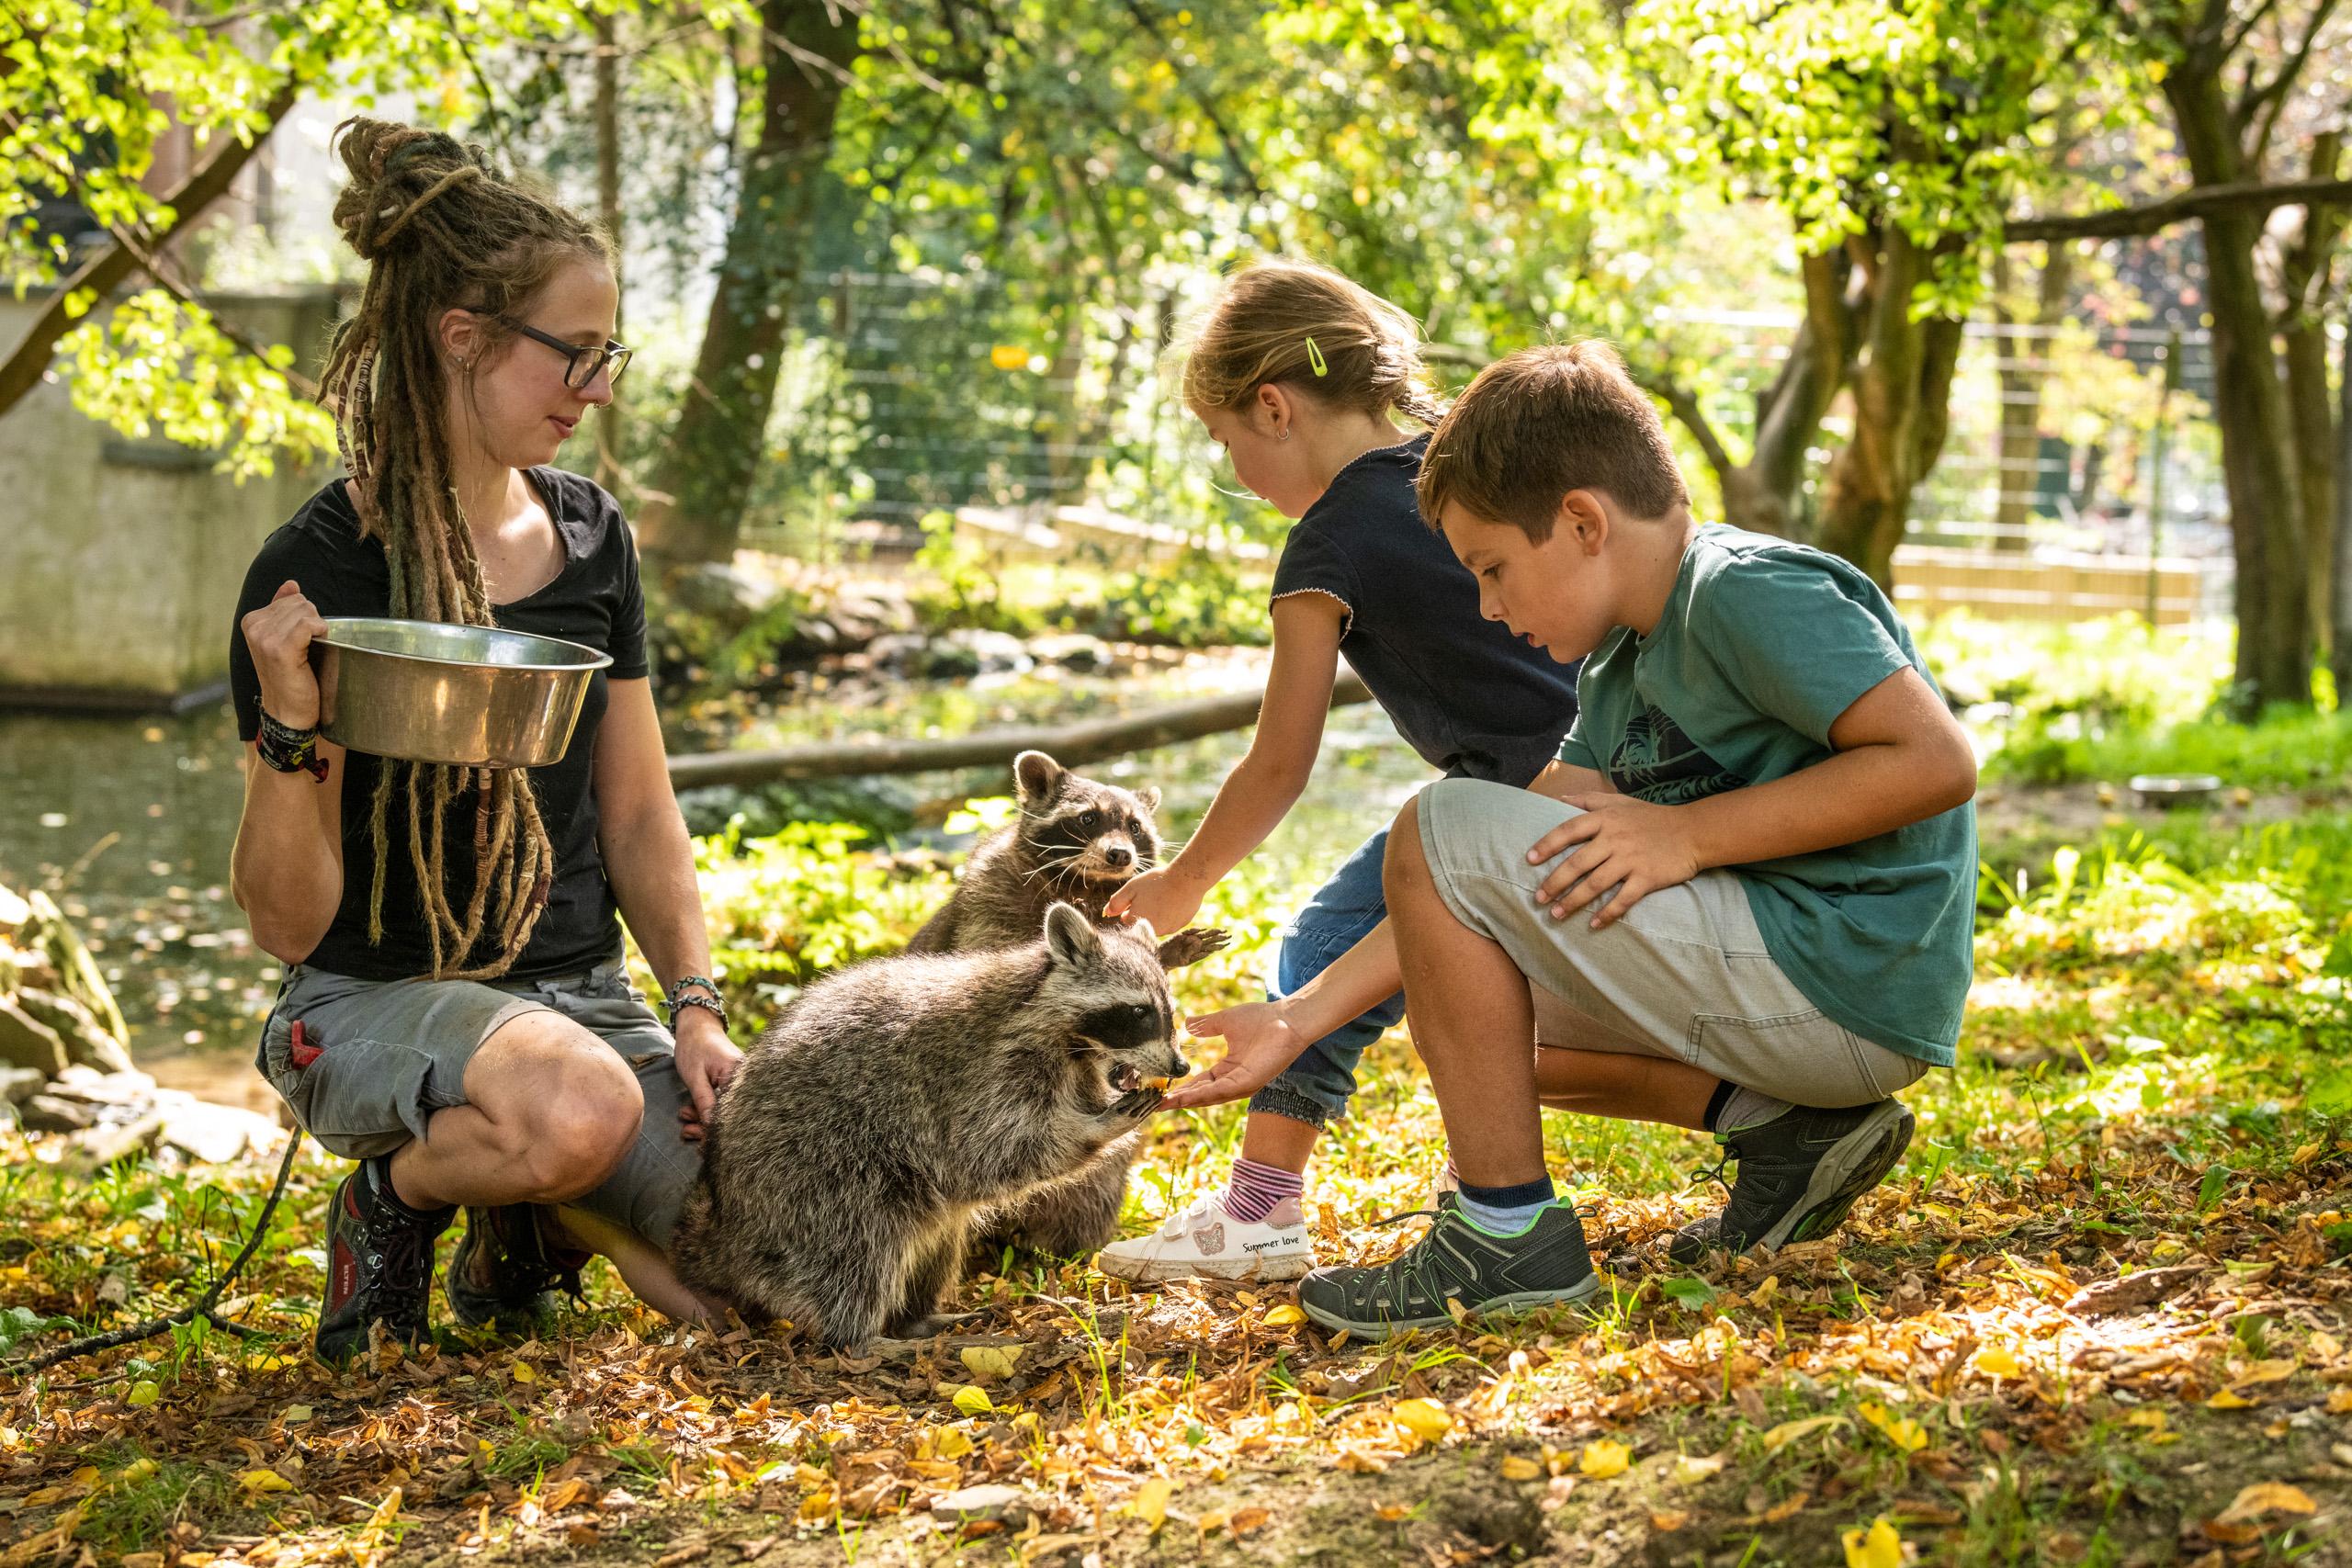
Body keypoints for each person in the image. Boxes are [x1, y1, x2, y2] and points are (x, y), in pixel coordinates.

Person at [1171, 342, 1979, 1339]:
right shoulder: (1616, 672)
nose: (1487, 606)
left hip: (1845, 978)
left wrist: (1687, 835)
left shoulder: (1744, 589)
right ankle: (1790, 1133)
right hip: (1797, 1001)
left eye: (1494, 568)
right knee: (1479, 1020)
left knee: (1437, 816)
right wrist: (1297, 1020)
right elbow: (1492, 886)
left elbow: (1934, 761)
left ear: (1583, 522)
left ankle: (1503, 1233)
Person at [228, 119, 735, 1363]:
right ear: (463, 338)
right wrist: (294, 724)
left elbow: (636, 813)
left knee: (764, 1273)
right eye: (574, 353)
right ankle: (397, 1200)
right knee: (578, 1103)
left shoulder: (592, 537)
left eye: (606, 351)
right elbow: (289, 926)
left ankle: (526, 1217)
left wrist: (699, 1005)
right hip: (373, 1001)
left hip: (583, 1000)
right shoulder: (324, 564)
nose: (599, 386)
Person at [1094, 261, 1580, 1284]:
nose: (1235, 469)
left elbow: (1280, 761)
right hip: (1603, 772)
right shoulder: (1465, 462)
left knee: (1326, 940)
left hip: (1505, 805)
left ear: (1272, 407)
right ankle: (1469, 1178)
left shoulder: (1327, 545)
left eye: (1226, 444)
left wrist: (1183, 881)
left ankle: (1260, 1214)